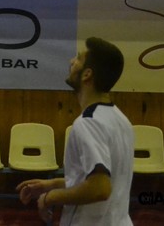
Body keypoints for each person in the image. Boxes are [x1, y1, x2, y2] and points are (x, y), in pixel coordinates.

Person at [16, 37, 134, 226]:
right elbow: (98, 179)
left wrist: (50, 197)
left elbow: (100, 188)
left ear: (87, 74)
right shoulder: (121, 120)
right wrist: (52, 184)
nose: (72, 61)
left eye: (78, 58)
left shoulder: (88, 123)